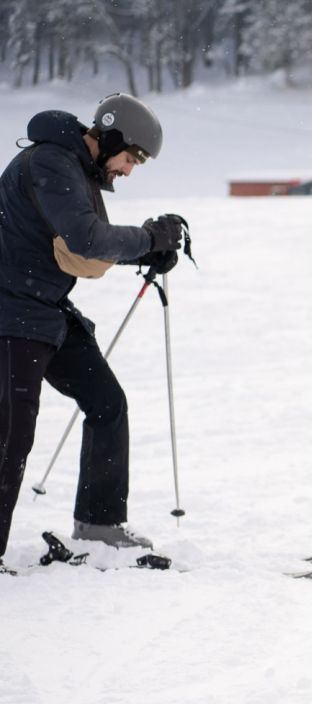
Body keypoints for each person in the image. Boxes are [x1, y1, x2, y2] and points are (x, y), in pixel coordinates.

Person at [0, 93, 185, 574]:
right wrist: (148, 238)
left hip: (44, 310)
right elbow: (87, 239)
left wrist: (148, 251)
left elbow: (83, 251)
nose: (129, 170)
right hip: (11, 312)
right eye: (131, 158)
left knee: (107, 403)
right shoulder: (51, 162)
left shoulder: (77, 170)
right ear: (112, 138)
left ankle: (99, 523)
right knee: (11, 435)